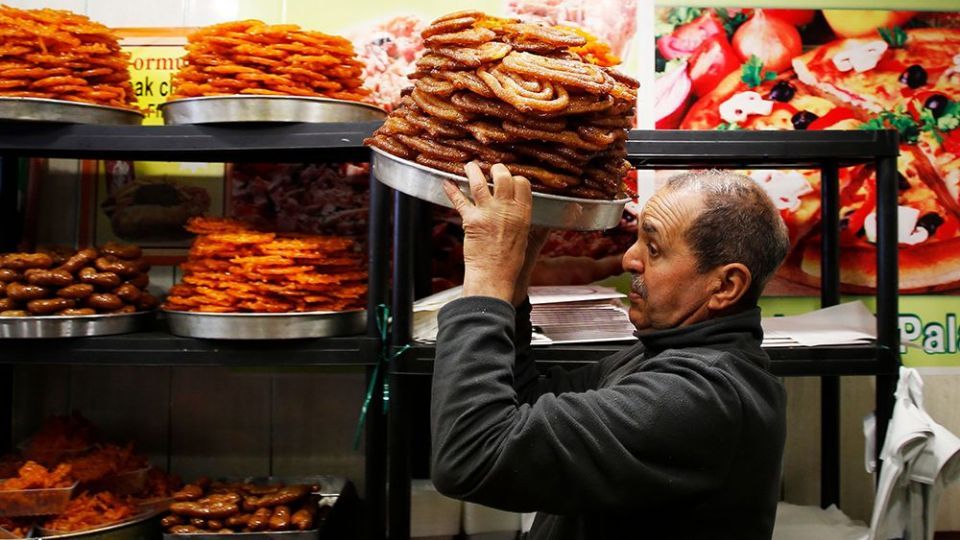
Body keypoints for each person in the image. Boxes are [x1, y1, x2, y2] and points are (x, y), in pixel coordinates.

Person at [430, 163, 791, 539]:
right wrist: (518, 269)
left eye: (653, 248)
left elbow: (473, 455)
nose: (628, 260)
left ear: (725, 286)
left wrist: (486, 276)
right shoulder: (662, 356)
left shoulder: (702, 394)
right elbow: (526, 400)